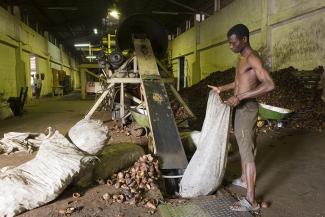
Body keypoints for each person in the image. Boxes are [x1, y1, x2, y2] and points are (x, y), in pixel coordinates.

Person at [208, 24, 274, 212]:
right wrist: (222, 88)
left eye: (233, 42)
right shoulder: (241, 58)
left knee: (247, 152)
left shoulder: (253, 58)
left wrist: (240, 97)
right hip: (240, 108)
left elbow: (269, 84)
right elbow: (239, 83)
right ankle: (245, 180)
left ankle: (251, 200)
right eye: (229, 43)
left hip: (246, 109)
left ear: (244, 39)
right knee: (243, 144)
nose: (230, 46)